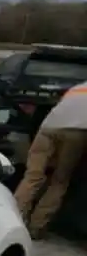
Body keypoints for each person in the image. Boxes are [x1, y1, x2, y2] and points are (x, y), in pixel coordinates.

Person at [13, 81, 87, 238]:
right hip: (76, 133)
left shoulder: (77, 87)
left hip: (48, 128)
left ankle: (15, 218)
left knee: (33, 175)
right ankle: (37, 227)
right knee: (59, 181)